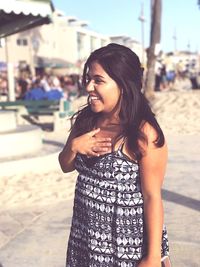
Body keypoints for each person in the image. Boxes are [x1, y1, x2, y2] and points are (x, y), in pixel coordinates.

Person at [59, 43, 170, 267]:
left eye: (98, 80)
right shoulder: (86, 121)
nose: (89, 87)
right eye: (88, 79)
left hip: (127, 246)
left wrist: (152, 257)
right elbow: (65, 165)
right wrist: (73, 147)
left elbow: (152, 197)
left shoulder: (144, 133)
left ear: (123, 85)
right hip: (85, 239)